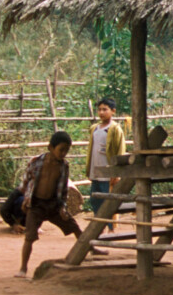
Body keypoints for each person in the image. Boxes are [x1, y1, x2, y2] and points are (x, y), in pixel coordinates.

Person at [16, 132, 90, 278]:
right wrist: (25, 200)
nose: (63, 153)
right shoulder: (36, 162)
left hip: (53, 204)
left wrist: (62, 207)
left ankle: (91, 248)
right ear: (50, 147)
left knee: (74, 226)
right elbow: (25, 183)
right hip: (36, 204)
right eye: (61, 149)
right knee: (30, 237)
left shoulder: (64, 166)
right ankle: (23, 268)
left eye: (66, 150)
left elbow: (63, 190)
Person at [87, 98, 125, 229]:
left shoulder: (115, 129)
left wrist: (117, 172)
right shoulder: (94, 129)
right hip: (96, 171)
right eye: (99, 109)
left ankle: (110, 227)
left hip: (107, 172)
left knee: (107, 200)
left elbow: (120, 150)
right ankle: (99, 225)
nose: (101, 112)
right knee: (94, 199)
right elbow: (91, 151)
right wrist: (89, 171)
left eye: (105, 109)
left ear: (113, 111)